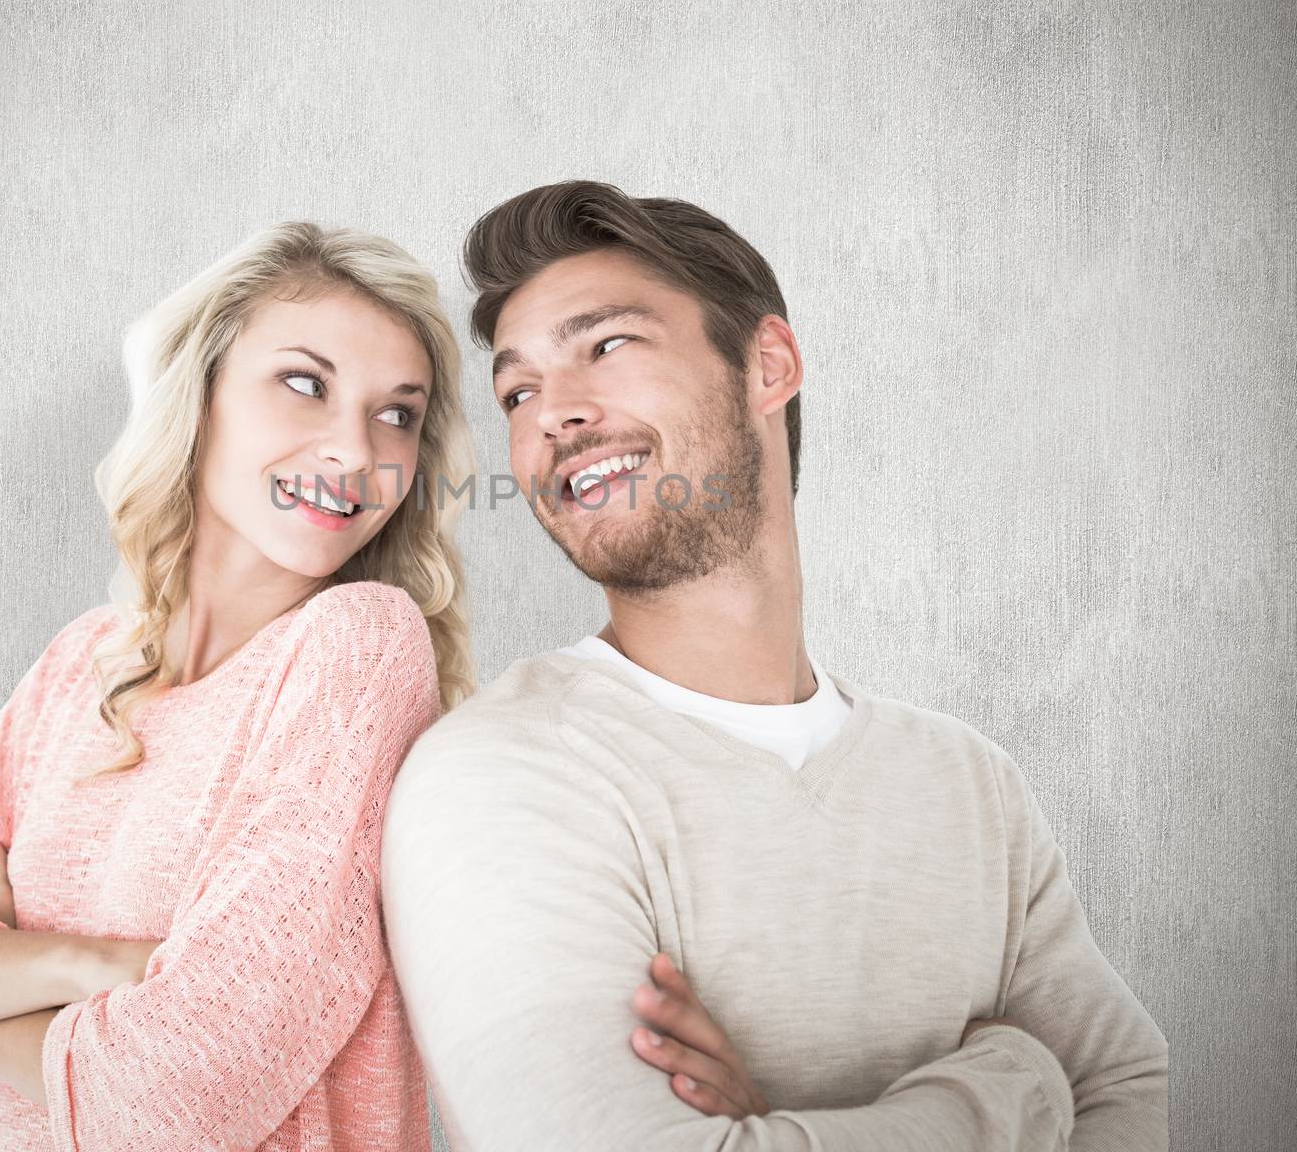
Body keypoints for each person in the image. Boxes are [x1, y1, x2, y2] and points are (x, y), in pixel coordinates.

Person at [380, 180, 1169, 1150]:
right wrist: (1010, 1084)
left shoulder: (971, 786)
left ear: (768, 364)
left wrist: (775, 1130)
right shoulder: (501, 774)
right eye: (517, 390)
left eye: (605, 346)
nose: (554, 415)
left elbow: (1128, 1095)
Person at [0, 221, 477, 1151]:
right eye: (304, 383)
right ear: (198, 394)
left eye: (396, 412)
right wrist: (88, 963)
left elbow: (178, 1103)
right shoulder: (88, 663)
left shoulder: (356, 647)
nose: (356, 453)